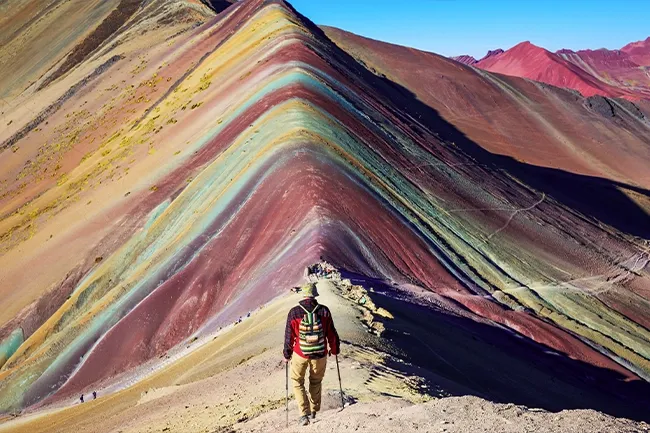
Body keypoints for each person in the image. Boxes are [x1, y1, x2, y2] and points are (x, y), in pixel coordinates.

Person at [283, 282, 340, 426]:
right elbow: (332, 334)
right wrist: (334, 350)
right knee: (316, 381)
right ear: (315, 295)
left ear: (303, 295)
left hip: (300, 354)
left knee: (297, 381)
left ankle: (304, 414)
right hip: (320, 354)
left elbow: (289, 336)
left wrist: (286, 354)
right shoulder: (324, 311)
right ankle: (314, 410)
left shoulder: (294, 312)